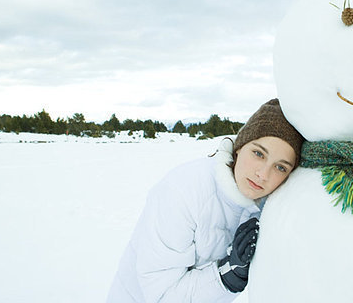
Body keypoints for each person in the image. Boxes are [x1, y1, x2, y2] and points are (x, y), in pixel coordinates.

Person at [106, 98, 304, 303]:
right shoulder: (183, 191)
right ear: (240, 147)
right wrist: (227, 276)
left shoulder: (269, 208)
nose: (263, 174)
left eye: (280, 167)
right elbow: (160, 295)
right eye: (258, 153)